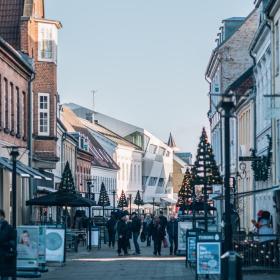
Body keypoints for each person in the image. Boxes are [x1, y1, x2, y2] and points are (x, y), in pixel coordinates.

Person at [0, 209, 16, 280]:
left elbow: (13, 241)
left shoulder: (8, 228)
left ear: (2, 217)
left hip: (4, 256)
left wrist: (5, 244)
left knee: (4, 276)